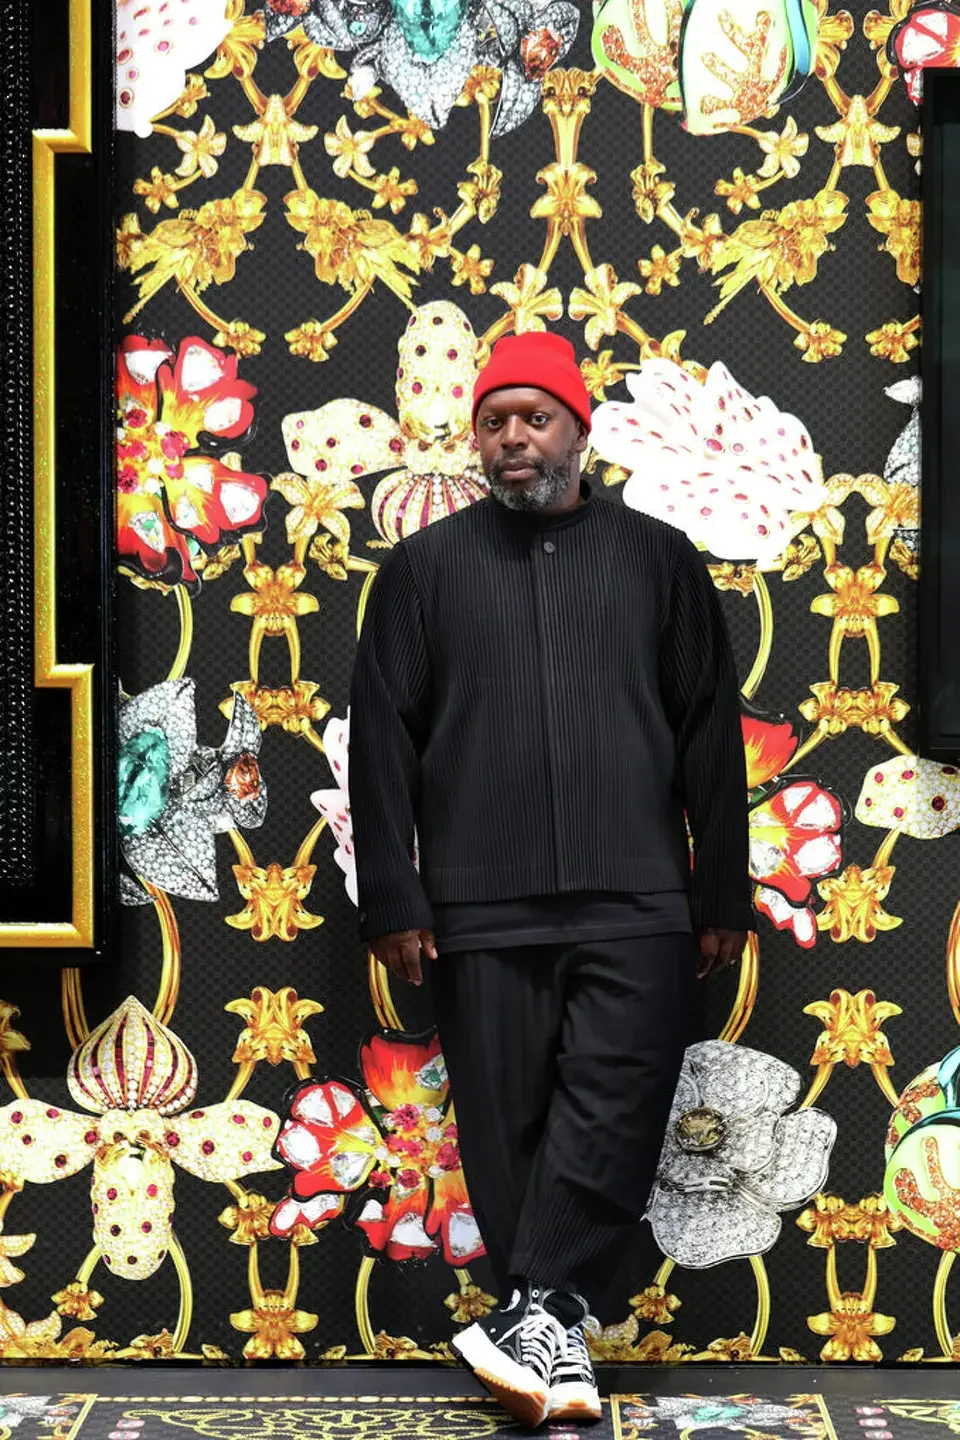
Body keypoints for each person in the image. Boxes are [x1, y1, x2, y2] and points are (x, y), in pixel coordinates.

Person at [348, 331, 752, 1429]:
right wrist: (394, 894)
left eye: (537, 418)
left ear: (583, 430)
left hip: (639, 895)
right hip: (478, 902)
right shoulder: (424, 570)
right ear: (473, 438)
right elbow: (379, 742)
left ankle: (533, 1311)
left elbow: (711, 733)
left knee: (616, 1106)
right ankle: (553, 1339)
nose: (514, 439)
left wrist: (722, 892)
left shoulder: (660, 559)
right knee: (507, 1125)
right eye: (494, 421)